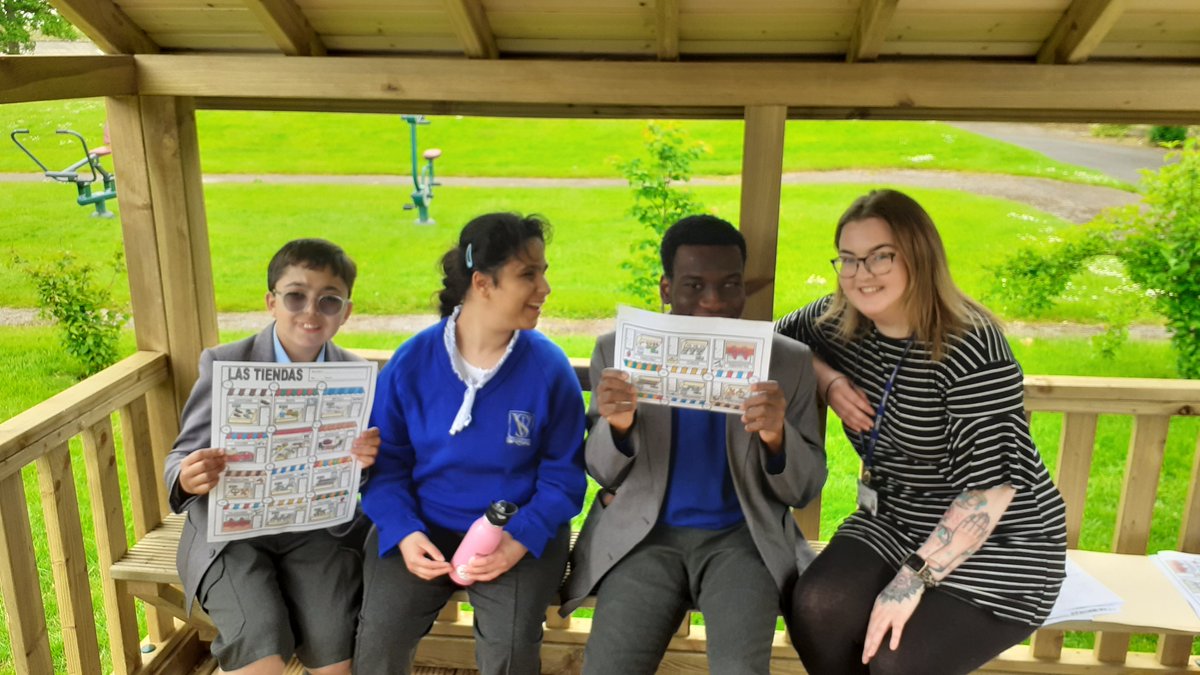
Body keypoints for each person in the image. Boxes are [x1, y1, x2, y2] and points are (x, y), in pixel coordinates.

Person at [775, 189, 1067, 674]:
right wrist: (828, 381)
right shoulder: (838, 321)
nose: (860, 274)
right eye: (848, 258)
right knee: (816, 608)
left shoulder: (972, 346)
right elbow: (769, 342)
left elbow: (990, 492)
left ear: (919, 256)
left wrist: (907, 583)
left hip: (1000, 543)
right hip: (896, 518)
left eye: (879, 257)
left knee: (894, 662)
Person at [561, 214, 827, 675]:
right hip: (644, 537)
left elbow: (804, 489)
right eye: (693, 286)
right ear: (666, 289)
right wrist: (618, 427)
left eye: (729, 285)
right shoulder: (621, 350)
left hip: (742, 539)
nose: (714, 302)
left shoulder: (787, 361)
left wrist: (776, 436)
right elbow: (602, 472)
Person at [354, 212, 586, 675]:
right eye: (528, 275)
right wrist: (403, 532)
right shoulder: (412, 362)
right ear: (482, 283)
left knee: (511, 649)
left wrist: (518, 541)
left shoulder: (548, 368)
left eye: (544, 272)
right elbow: (387, 467)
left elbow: (563, 479)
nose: (544, 288)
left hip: (518, 532)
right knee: (377, 643)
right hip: (424, 526)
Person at [164, 238, 380, 675]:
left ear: (346, 312)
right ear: (271, 301)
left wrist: (368, 463)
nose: (311, 311)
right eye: (296, 295)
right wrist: (188, 476)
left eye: (329, 301)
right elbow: (182, 454)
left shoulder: (358, 378)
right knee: (260, 650)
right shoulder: (224, 362)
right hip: (230, 534)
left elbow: (360, 484)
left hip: (317, 533)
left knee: (336, 652)